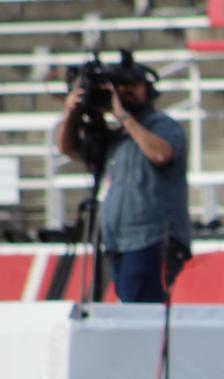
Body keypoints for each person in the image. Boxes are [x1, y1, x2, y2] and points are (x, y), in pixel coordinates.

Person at [56, 51, 191, 303]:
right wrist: (70, 112)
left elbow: (161, 154)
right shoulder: (117, 135)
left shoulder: (161, 125)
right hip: (118, 240)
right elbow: (68, 148)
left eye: (132, 85)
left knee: (140, 311)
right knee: (130, 308)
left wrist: (123, 117)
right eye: (119, 86)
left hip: (152, 239)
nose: (125, 91)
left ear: (147, 88)